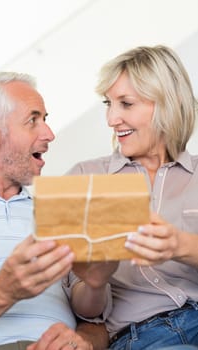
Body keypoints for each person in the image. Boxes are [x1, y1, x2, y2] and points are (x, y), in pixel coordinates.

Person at [63, 45, 198, 349]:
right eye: (108, 104)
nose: (111, 118)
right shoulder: (82, 178)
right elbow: (85, 310)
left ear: (168, 103)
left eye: (126, 103)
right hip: (145, 337)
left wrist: (181, 245)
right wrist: (95, 282)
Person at [0, 72, 109, 350]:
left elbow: (97, 322)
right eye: (33, 120)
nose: (49, 134)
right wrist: (3, 289)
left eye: (46, 119)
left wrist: (86, 341)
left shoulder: (59, 212)